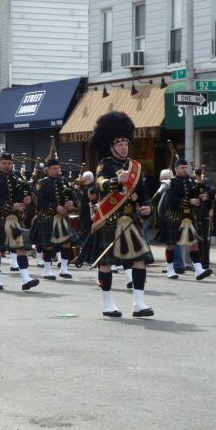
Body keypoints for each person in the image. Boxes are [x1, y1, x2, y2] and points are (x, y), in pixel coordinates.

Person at [77, 111, 154, 318]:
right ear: (111, 146)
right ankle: (108, 303)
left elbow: (143, 193)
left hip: (131, 220)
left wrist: (147, 206)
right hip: (110, 219)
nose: (124, 147)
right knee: (106, 263)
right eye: (119, 144)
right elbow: (99, 183)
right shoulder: (106, 164)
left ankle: (139, 302)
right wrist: (115, 182)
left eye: (126, 144)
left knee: (140, 260)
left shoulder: (135, 166)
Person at [0, 152, 39, 291]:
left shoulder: (17, 177)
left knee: (20, 248)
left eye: (9, 163)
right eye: (4, 163)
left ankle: (26, 278)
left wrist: (28, 199)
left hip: (15, 219)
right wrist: (11, 206)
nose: (7, 166)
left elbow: (26, 192)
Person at [160, 158, 213, 280]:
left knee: (193, 244)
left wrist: (205, 195)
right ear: (176, 169)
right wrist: (188, 201)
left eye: (185, 168)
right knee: (171, 245)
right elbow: (171, 200)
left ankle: (199, 270)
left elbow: (204, 192)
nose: (184, 170)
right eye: (182, 168)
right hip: (174, 217)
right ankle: (170, 269)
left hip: (188, 218)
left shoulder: (191, 181)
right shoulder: (171, 182)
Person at [29, 157, 78, 281]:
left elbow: (74, 195)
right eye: (54, 169)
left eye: (58, 168)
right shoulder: (43, 183)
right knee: (48, 246)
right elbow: (40, 202)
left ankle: (64, 269)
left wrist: (73, 204)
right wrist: (56, 208)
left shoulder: (65, 181)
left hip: (62, 218)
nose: (57, 171)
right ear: (47, 170)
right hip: (48, 217)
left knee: (67, 243)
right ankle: (47, 269)